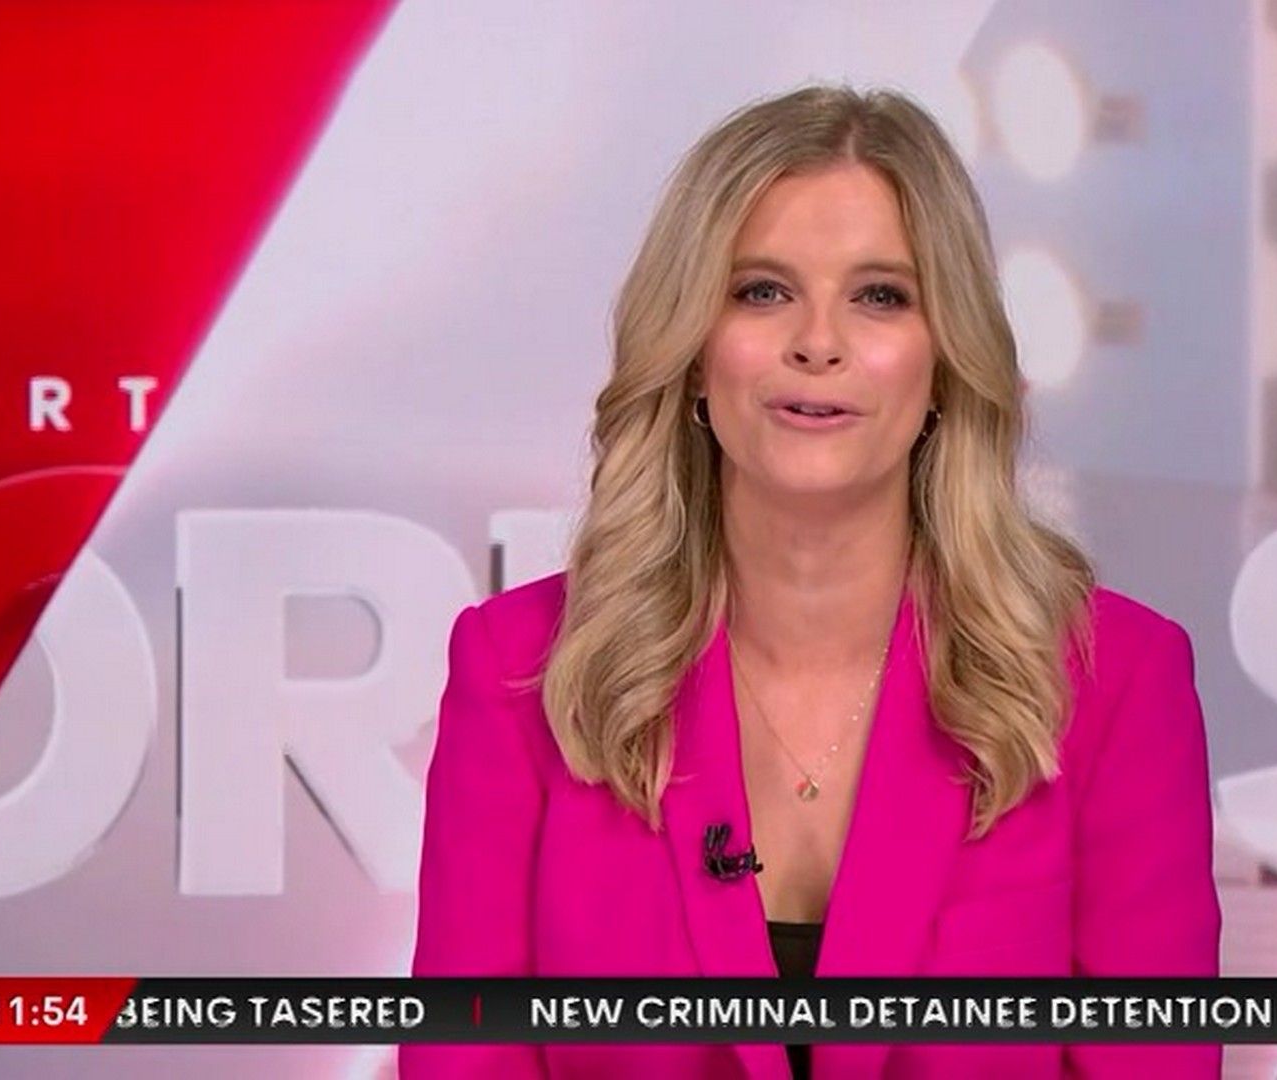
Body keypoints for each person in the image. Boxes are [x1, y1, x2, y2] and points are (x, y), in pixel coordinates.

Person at [403, 83, 1220, 1079]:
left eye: (881, 296)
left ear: (946, 359)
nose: (818, 342)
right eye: (762, 291)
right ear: (692, 352)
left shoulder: (1114, 680)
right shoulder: (520, 672)